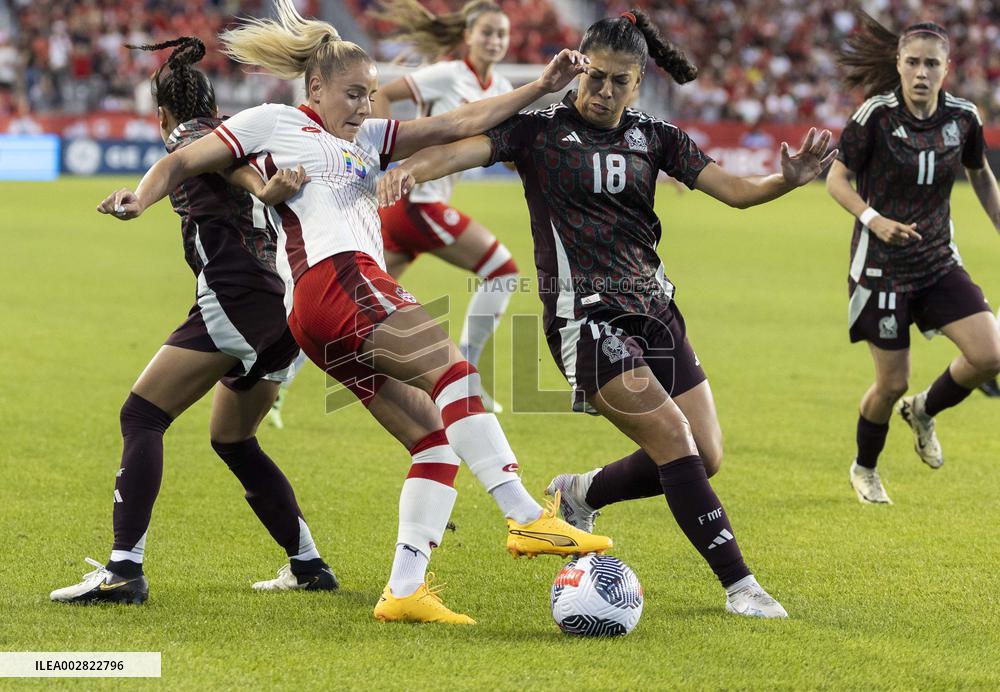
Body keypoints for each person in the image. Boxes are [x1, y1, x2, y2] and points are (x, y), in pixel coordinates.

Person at [96, 0, 611, 625]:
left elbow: (456, 122)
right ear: (315, 87)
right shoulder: (278, 120)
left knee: (432, 440)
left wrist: (540, 87)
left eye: (370, 95)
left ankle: (405, 589)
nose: (364, 106)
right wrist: (138, 200)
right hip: (338, 279)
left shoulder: (368, 138)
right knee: (456, 373)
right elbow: (183, 157)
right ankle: (528, 517)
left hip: (315, 315)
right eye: (352, 94)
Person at [378, 8, 840, 619]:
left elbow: (737, 191)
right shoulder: (538, 129)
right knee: (675, 439)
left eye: (618, 81)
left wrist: (788, 180)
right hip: (584, 321)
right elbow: (461, 150)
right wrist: (408, 169)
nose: (602, 91)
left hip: (655, 310)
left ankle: (581, 491)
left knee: (707, 453)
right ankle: (741, 587)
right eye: (594, 76)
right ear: (577, 68)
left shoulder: (657, 137)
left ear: (638, 81)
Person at [52, 38, 335, 605]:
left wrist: (139, 200)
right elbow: (241, 166)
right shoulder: (242, 130)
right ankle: (307, 564)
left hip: (237, 296)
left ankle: (123, 570)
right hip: (282, 308)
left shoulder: (191, 134)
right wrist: (266, 186)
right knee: (233, 438)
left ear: (160, 114)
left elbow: (203, 158)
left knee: (142, 415)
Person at [825, 13, 1000, 505]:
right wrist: (873, 218)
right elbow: (838, 180)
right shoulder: (874, 116)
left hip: (938, 260)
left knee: (989, 355)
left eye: (932, 64)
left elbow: (981, 173)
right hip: (880, 268)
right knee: (890, 383)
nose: (922, 72)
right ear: (898, 64)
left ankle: (924, 409)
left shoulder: (963, 117)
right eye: (913, 62)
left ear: (948, 68)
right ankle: (865, 468)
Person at [368, 0, 518, 413]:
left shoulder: (503, 90)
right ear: (468, 36)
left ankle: (275, 379)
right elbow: (382, 94)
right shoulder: (448, 75)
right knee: (502, 272)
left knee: (359, 304)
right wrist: (382, 154)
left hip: (409, 209)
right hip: (419, 201)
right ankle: (467, 376)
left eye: (501, 34)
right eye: (486, 32)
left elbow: (504, 152)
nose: (494, 40)